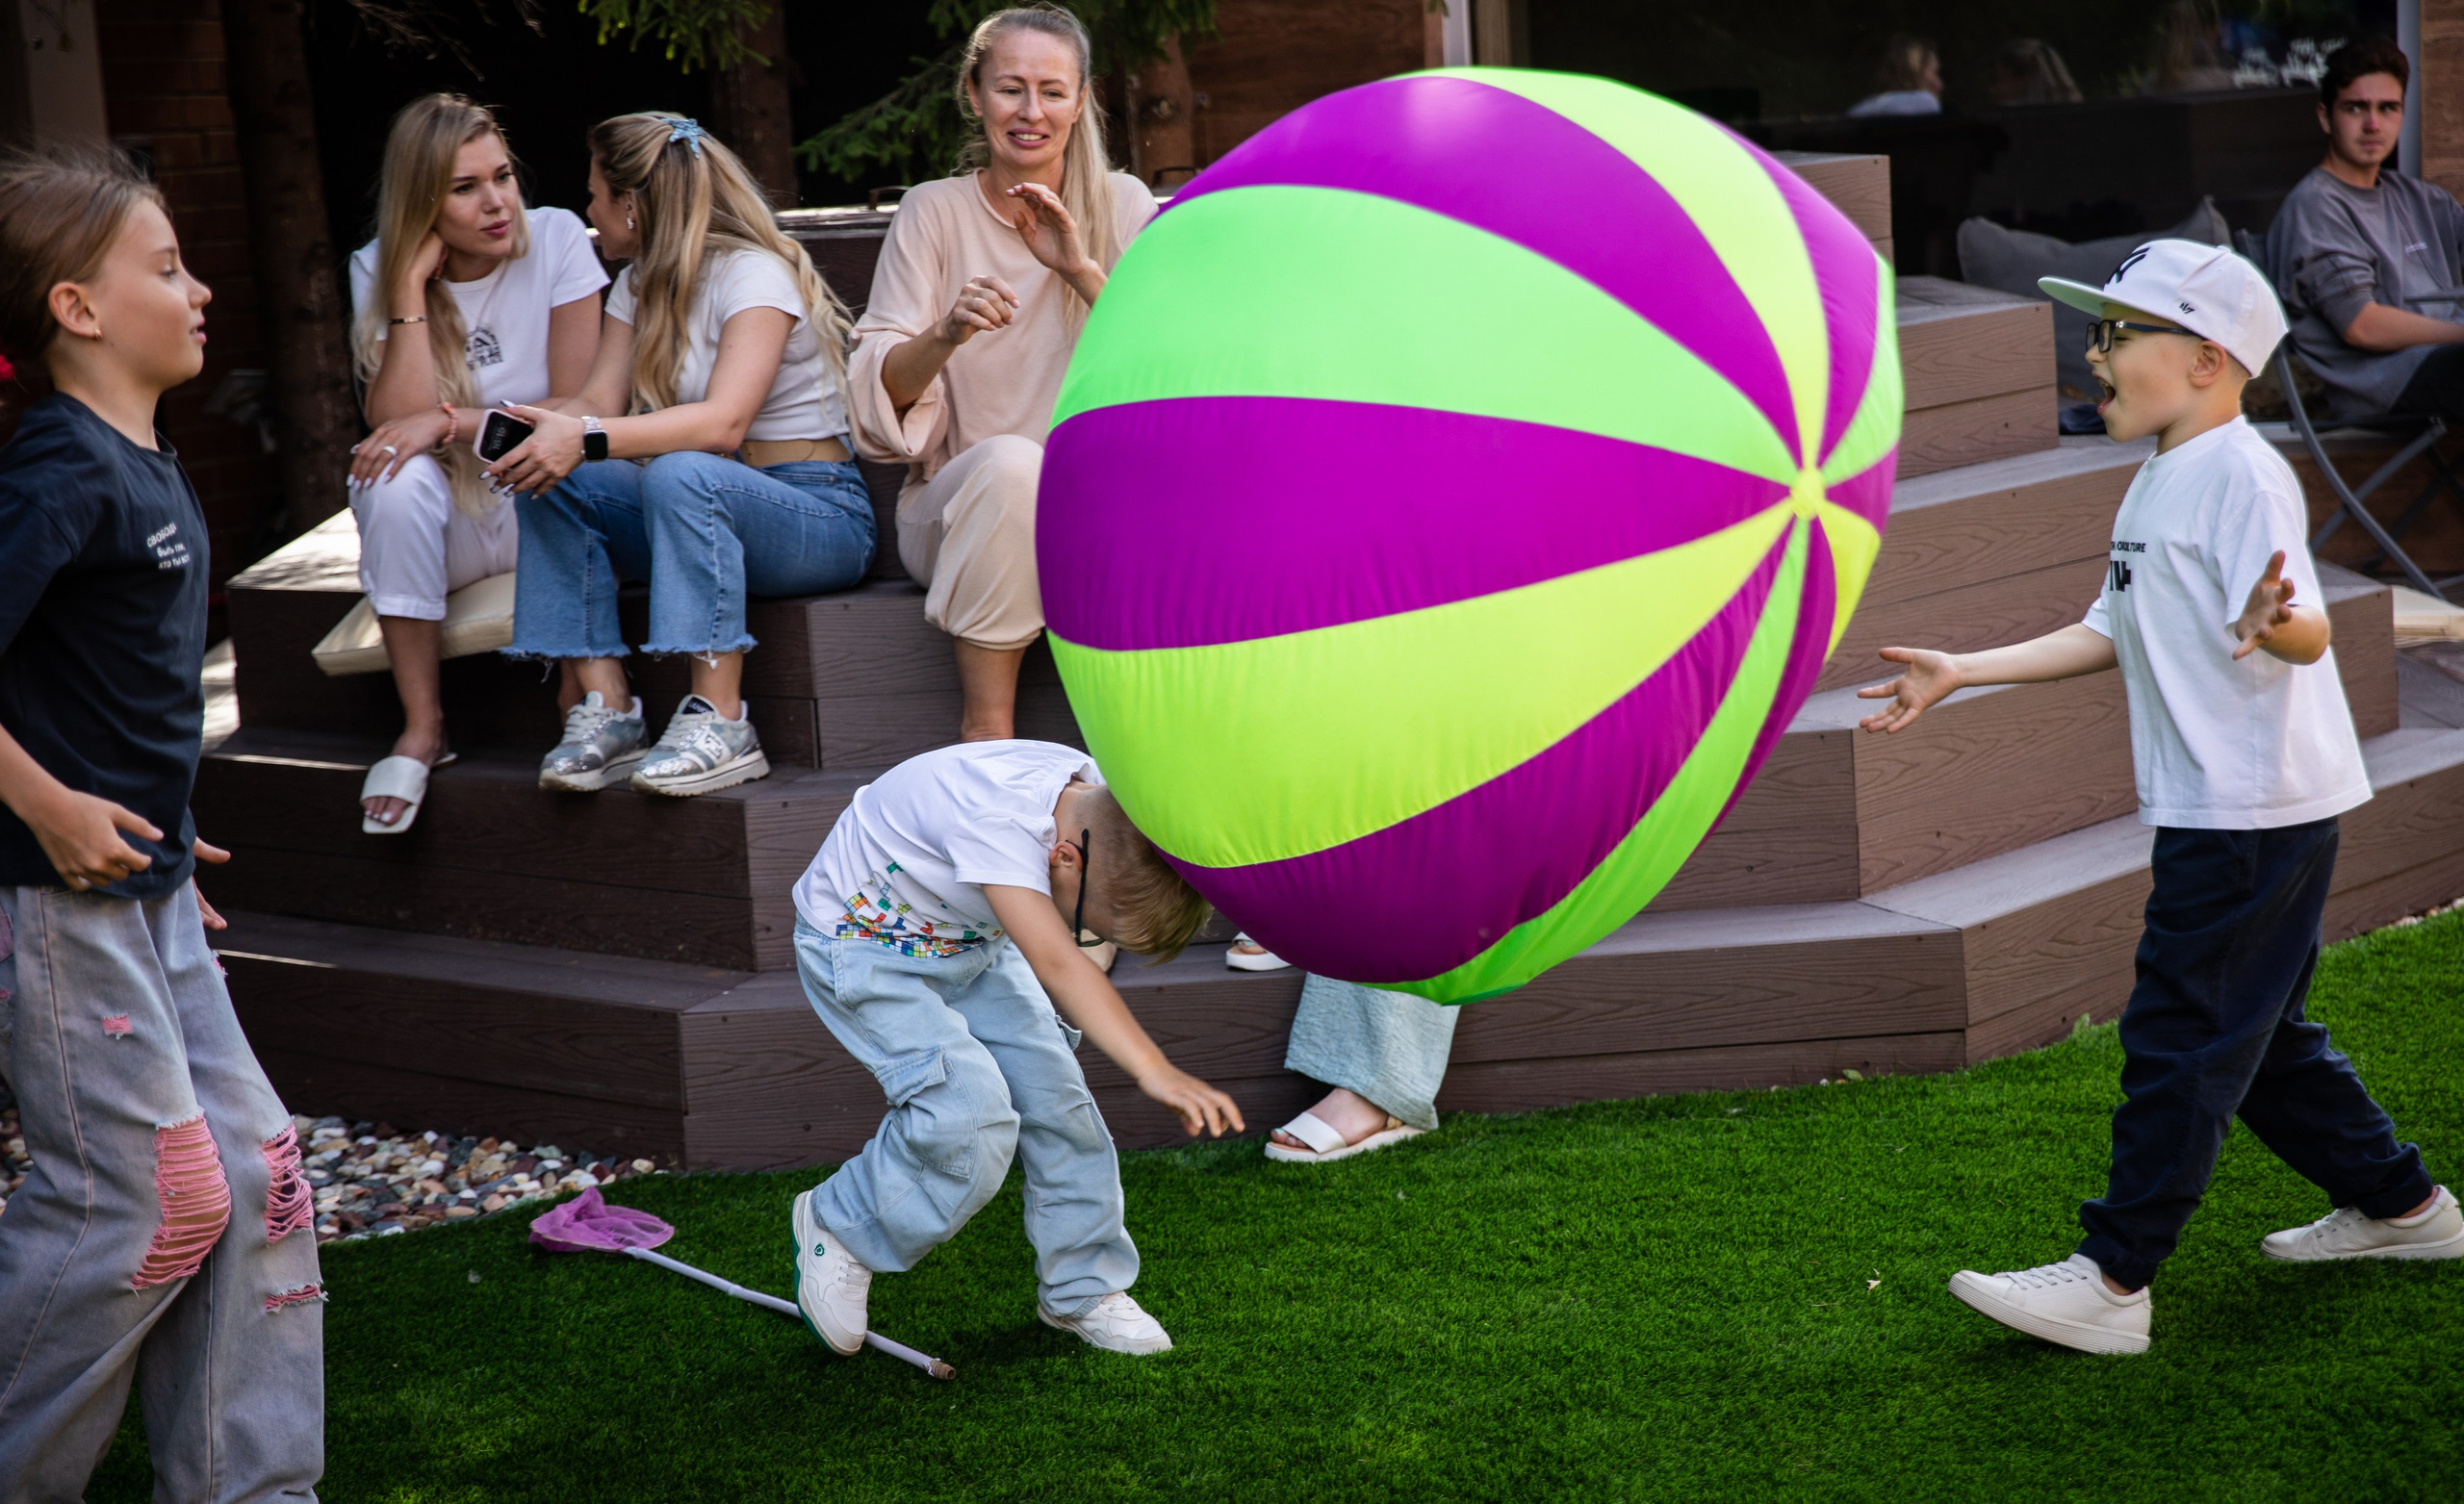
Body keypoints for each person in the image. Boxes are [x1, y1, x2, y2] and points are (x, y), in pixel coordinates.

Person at [1858, 240, 2461, 1356]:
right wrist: (1963, 670)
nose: (2095, 355)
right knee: (2261, 1035)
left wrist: (2275, 624)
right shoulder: (2164, 473)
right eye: (2097, 333)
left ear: (2206, 358)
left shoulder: (2238, 473)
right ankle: (2406, 1210)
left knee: (2181, 1036)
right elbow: (2110, 625)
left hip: (2245, 811)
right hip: (2233, 805)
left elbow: (2309, 624)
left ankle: (2114, 1280)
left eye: (2118, 333)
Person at [0, 144, 323, 1498]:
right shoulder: (55, 470)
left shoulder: (147, 459)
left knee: (262, 1173)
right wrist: (53, 808)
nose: (198, 291)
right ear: (77, 308)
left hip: (144, 888)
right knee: (148, 1197)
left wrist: (168, 845)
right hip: (53, 898)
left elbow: (106, 694)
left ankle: (252, 1485)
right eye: (167, 265)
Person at [784, 741, 1241, 1356]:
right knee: (969, 1117)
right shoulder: (999, 824)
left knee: (1061, 1107)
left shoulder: (1099, 796)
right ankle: (841, 1221)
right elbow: (1058, 962)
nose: (1086, 938)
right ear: (1063, 859)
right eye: (1091, 928)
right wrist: (1153, 1068)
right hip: (861, 947)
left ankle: (1082, 1289)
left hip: (965, 943)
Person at [491, 113, 875, 798]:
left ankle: (723, 721)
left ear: (633, 206)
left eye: (596, 196)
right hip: (702, 508)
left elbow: (724, 423)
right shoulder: (639, 284)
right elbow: (598, 403)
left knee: (682, 470)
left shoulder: (754, 274)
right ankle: (610, 707)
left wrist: (584, 436)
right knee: (550, 475)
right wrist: (525, 428)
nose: (590, 211)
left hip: (816, 513)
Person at [848, 6, 1158, 741]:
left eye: (1052, 91)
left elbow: (1163, 371)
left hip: (1095, 514)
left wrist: (1079, 268)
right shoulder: (932, 212)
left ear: (1081, 101)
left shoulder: (1123, 204)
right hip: (955, 511)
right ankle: (986, 738)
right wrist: (946, 331)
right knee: (1018, 466)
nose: (1031, 112)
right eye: (1010, 88)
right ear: (973, 92)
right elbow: (878, 407)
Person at [346, 94, 607, 833]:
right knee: (387, 476)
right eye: (465, 189)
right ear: (424, 205)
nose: (497, 203)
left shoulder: (556, 238)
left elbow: (575, 405)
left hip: (541, 503)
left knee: (572, 456)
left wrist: (453, 421)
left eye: (502, 177)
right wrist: (406, 290)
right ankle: (423, 726)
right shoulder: (375, 267)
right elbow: (396, 425)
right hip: (454, 527)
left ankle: (581, 685)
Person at [2268, 36, 2464, 425]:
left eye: (2387, 108)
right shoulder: (2316, 206)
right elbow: (2362, 325)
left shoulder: (2420, 198)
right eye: (2356, 108)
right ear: (2326, 118)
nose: (2373, 124)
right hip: (2383, 383)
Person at [1847, 35, 1942, 117]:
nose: (1940, 85)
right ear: (1911, 71)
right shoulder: (1924, 102)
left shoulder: (1859, 109)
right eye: (1934, 72)